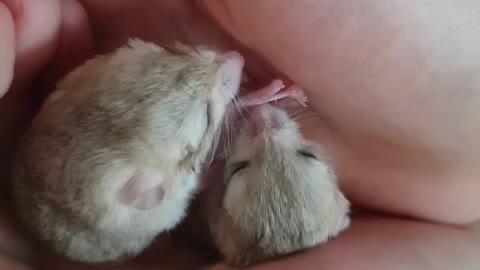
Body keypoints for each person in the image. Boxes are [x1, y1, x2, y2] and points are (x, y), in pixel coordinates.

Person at [1, 0, 479, 269]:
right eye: (211, 119)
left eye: (166, 53)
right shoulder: (148, 204)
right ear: (151, 192)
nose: (231, 62)